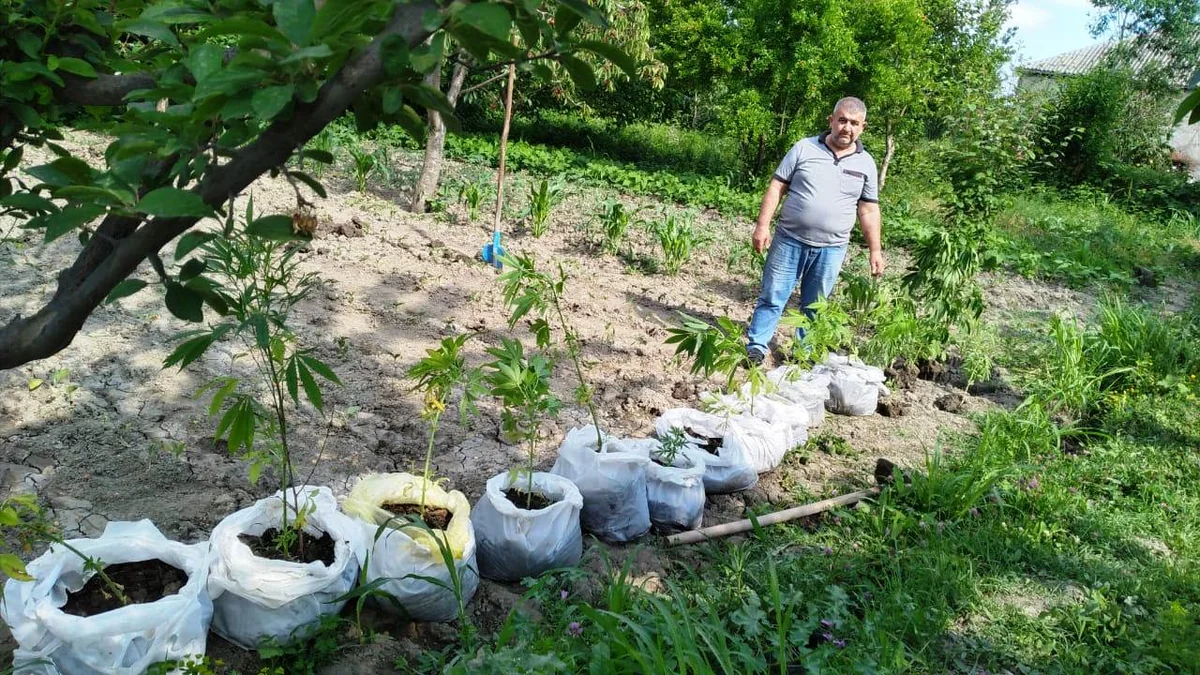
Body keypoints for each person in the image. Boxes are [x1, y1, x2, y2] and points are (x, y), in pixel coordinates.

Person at [744, 96, 885, 365]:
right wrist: (762, 225)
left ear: (863, 127)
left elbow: (868, 210)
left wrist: (875, 250)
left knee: (815, 305)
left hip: (832, 248)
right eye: (842, 120)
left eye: (854, 123)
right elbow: (776, 188)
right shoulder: (803, 148)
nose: (847, 128)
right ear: (830, 120)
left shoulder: (866, 164)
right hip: (789, 239)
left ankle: (803, 354)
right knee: (773, 295)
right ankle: (757, 346)